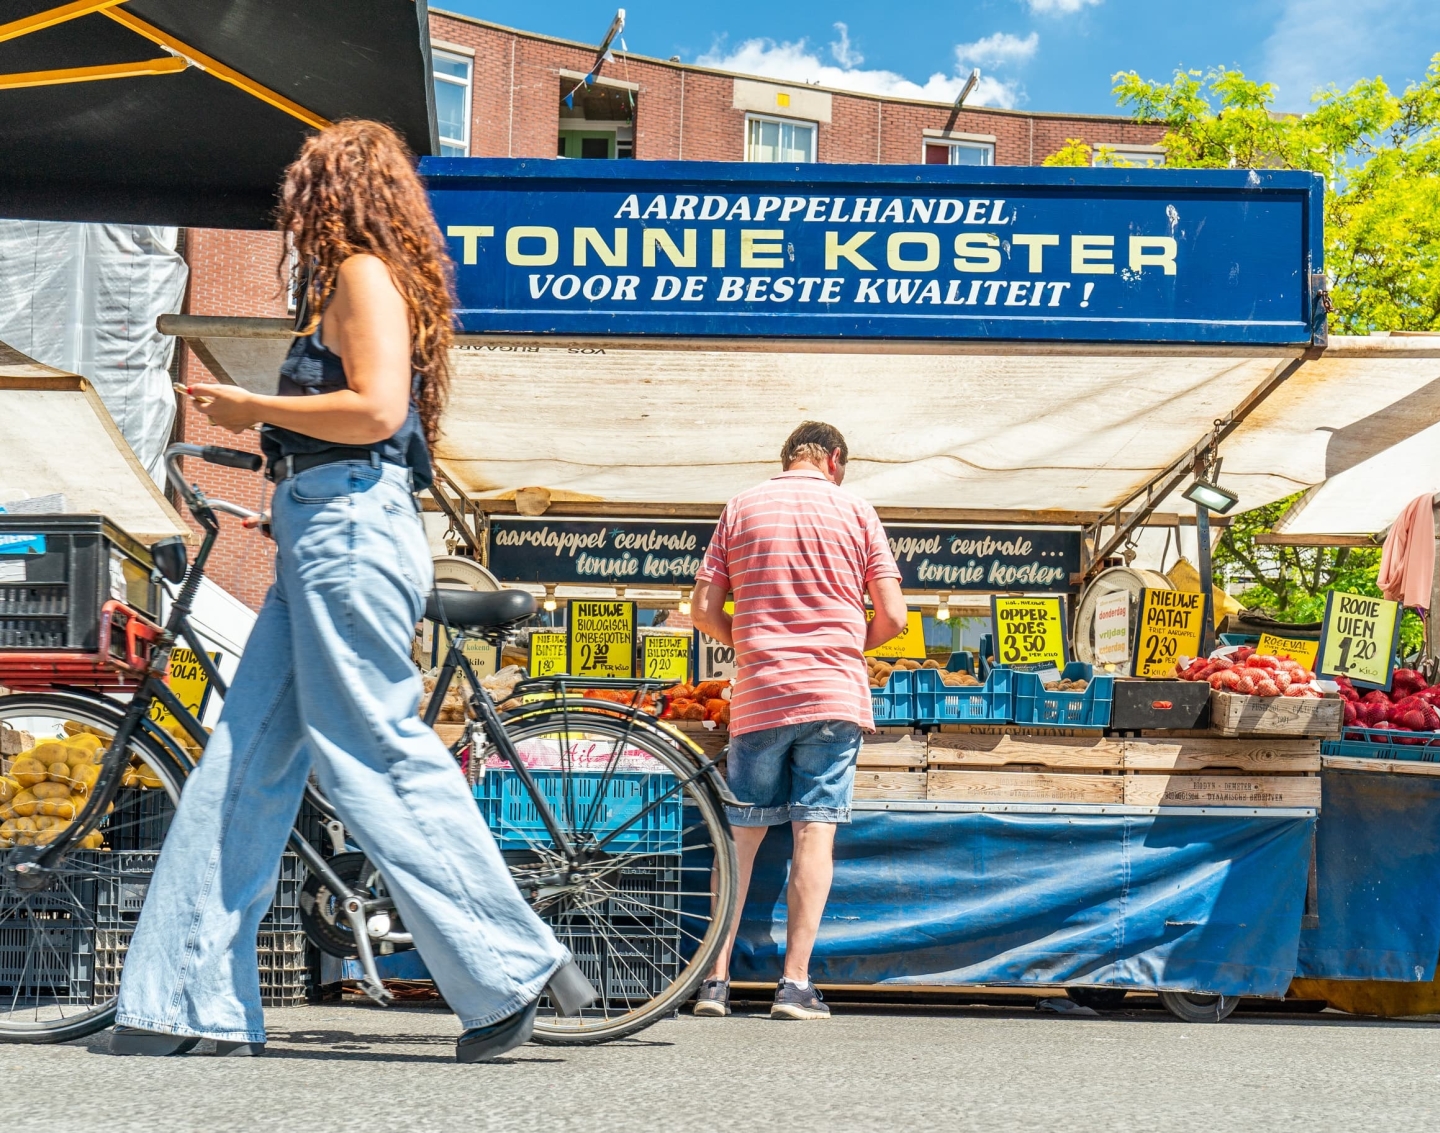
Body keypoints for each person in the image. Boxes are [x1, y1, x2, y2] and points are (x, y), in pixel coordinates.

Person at [111, 120, 591, 1062]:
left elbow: (376, 410)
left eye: (301, 193)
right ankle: (183, 997)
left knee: (372, 747)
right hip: (323, 528)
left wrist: (255, 409)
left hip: (346, 529)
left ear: (327, 195)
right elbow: (355, 432)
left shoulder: (363, 271)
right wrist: (288, 499)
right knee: (240, 764)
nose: (291, 212)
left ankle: (510, 964)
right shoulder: (360, 279)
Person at [689, 421, 907, 1020]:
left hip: (760, 693)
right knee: (816, 832)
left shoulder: (741, 507)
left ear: (786, 458)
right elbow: (893, 617)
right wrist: (839, 647)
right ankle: (794, 985)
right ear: (834, 459)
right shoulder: (857, 510)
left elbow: (702, 610)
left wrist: (758, 646)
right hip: (833, 695)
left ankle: (713, 980)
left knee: (741, 836)